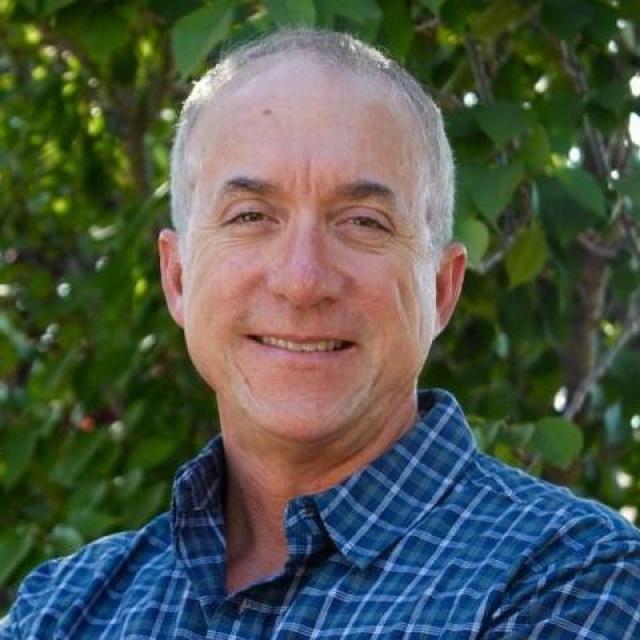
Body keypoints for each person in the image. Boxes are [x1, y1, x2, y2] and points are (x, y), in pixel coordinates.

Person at [2, 28, 639, 639]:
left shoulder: (578, 581)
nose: (302, 280)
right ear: (177, 277)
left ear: (442, 289)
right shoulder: (65, 608)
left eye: (363, 222)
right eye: (250, 216)